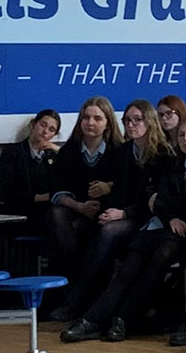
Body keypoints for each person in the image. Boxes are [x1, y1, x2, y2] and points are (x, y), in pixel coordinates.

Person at [63, 116, 186, 343]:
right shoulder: (173, 164)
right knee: (129, 266)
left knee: (158, 260)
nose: (185, 139)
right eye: (182, 134)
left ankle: (121, 318)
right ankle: (92, 320)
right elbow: (157, 198)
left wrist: (175, 209)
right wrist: (172, 213)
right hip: (162, 224)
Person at [50, 100, 174, 322]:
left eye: (138, 120)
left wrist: (123, 213)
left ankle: (77, 301)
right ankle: (84, 300)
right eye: (127, 120)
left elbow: (157, 199)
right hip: (124, 212)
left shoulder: (163, 154)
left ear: (150, 122)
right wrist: (112, 209)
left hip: (151, 218)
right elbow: (120, 188)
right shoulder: (125, 151)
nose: (132, 125)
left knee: (109, 232)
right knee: (101, 229)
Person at [48, 96, 124, 278]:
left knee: (79, 230)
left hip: (106, 211)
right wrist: (80, 207)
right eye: (86, 117)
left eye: (97, 118)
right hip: (75, 208)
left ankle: (76, 287)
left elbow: (129, 185)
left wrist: (109, 186)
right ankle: (70, 282)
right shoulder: (69, 151)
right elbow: (56, 190)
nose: (90, 123)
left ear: (108, 123)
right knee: (58, 215)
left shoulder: (119, 150)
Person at [0, 110, 62, 237]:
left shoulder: (52, 155)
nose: (45, 131)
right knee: (60, 220)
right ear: (33, 124)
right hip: (21, 212)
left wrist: (58, 150)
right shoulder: (12, 152)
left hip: (49, 210)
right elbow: (6, 191)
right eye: (43, 125)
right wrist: (40, 197)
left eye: (51, 130)